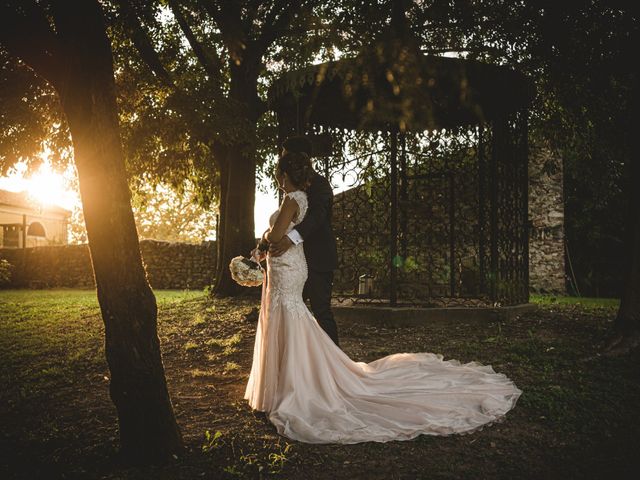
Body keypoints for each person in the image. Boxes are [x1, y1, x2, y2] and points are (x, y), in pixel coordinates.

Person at [245, 150, 522, 444]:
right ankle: (304, 377)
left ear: (287, 173)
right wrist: (268, 245)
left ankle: (325, 376)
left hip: (302, 263)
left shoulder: (308, 192)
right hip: (291, 263)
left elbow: (304, 225)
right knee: (296, 316)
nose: (278, 180)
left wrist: (269, 238)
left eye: (279, 174)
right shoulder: (296, 195)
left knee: (310, 314)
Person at [262, 136, 340, 347]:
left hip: (317, 259)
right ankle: (299, 362)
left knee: (321, 311)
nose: (282, 157)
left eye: (285, 153)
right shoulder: (292, 185)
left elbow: (317, 217)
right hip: (293, 264)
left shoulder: (320, 185)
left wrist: (290, 239)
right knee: (292, 314)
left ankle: (334, 365)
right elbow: (284, 220)